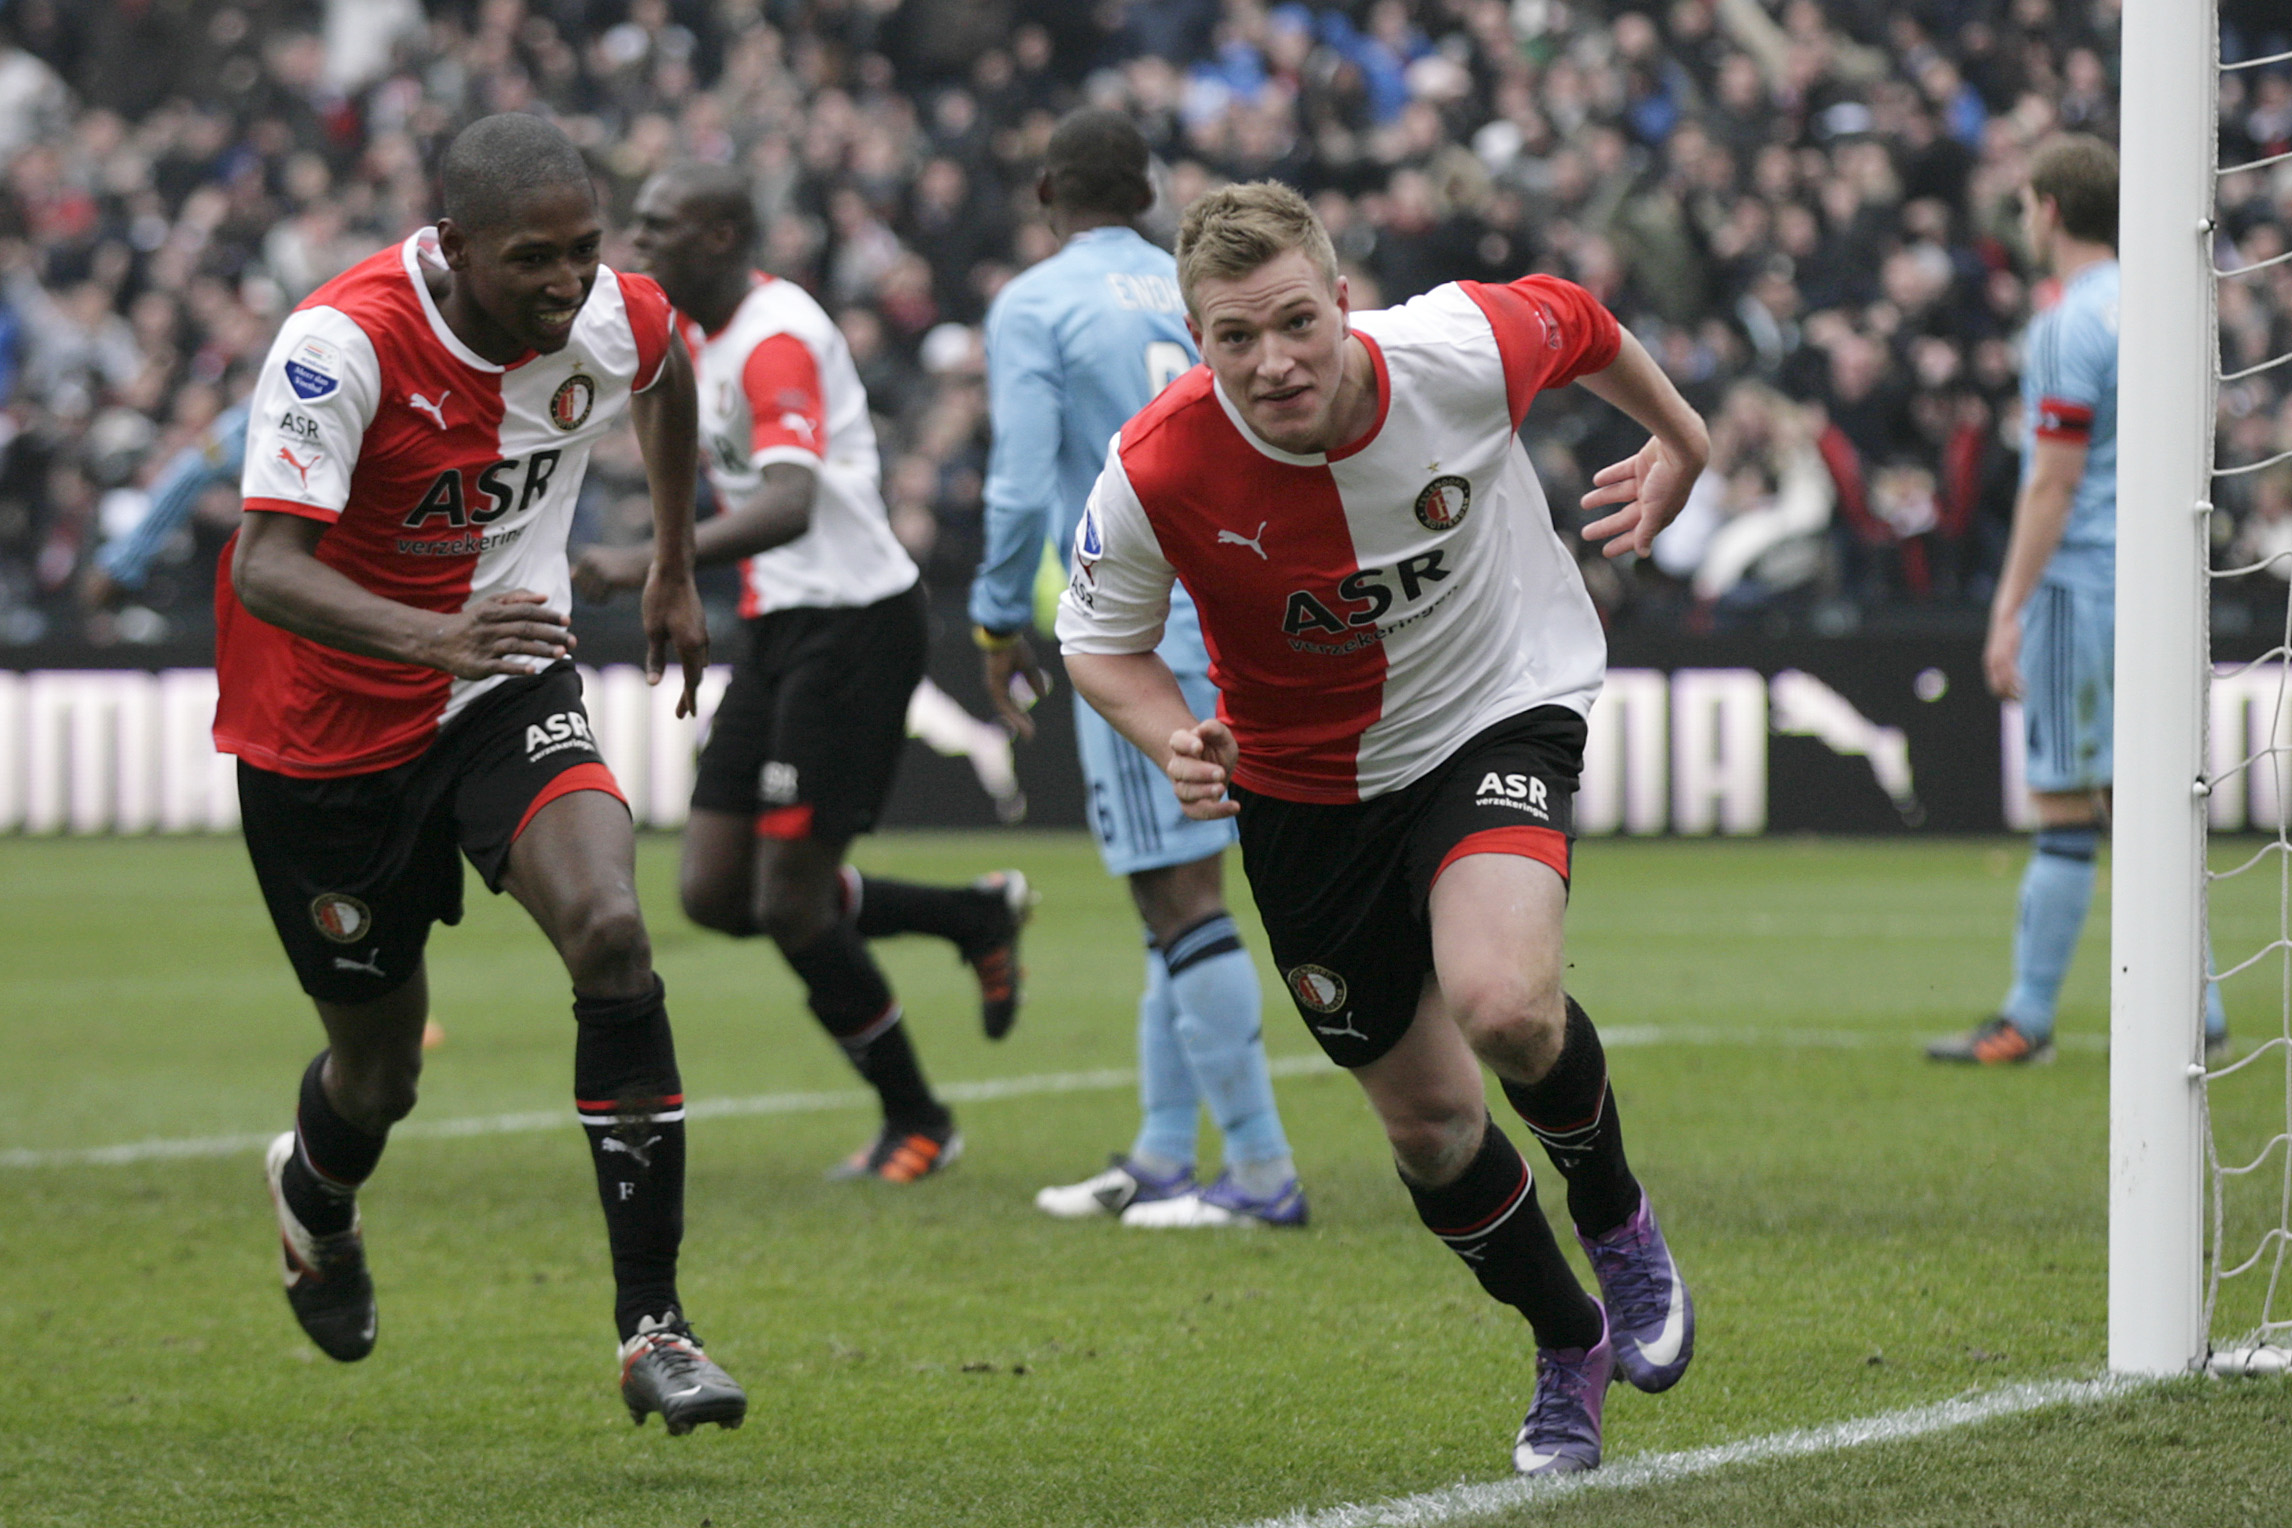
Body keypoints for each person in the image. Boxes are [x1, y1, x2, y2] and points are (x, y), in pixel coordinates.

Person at [1056, 182, 1704, 1474]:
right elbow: (1096, 641)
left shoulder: (1456, 348)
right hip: (1301, 798)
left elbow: (1577, 321)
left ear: (1342, 299)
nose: (1273, 361)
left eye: (1296, 321)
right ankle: (1564, 1338)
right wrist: (1169, 734)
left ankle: (1618, 1216)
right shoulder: (1157, 466)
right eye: (1234, 338)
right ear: (1198, 339)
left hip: (1492, 716)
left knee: (1506, 1005)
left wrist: (1683, 444)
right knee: (1431, 1131)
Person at [219, 114, 744, 1434]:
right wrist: (430, 633)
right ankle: (317, 1200)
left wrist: (676, 558)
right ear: (453, 250)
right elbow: (264, 567)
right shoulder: (340, 347)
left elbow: (667, 371)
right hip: (325, 744)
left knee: (613, 933)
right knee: (378, 1079)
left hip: (503, 687)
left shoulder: (613, 317)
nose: (570, 285)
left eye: (586, 251)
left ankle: (655, 1331)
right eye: (534, 262)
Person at [574, 163, 1029, 1183]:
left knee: (789, 902)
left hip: (856, 627)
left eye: (660, 227)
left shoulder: (777, 338)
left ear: (725, 238)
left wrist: (659, 558)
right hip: (785, 625)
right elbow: (664, 412)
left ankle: (919, 1119)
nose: (636, 246)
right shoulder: (689, 332)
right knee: (712, 890)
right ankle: (970, 914)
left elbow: (791, 502)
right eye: (634, 227)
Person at [971, 109, 1305, 1228]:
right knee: (1176, 892)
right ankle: (1167, 1154)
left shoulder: (1037, 302)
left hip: (1135, 617)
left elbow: (1019, 489)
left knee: (1179, 893)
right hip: (1237, 600)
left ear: (1045, 191)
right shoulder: (1196, 287)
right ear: (1153, 187)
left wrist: (990, 619)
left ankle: (1259, 1175)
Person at [1930, 135, 2229, 1065]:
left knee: (2066, 800)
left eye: (2026, 206)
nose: (2025, 222)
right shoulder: (2166, 305)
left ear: (2051, 209)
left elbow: (2052, 482)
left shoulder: (2067, 322)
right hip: (2161, 582)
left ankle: (2027, 1018)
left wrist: (2008, 604)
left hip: (2083, 583)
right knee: (2138, 800)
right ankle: (2202, 1010)